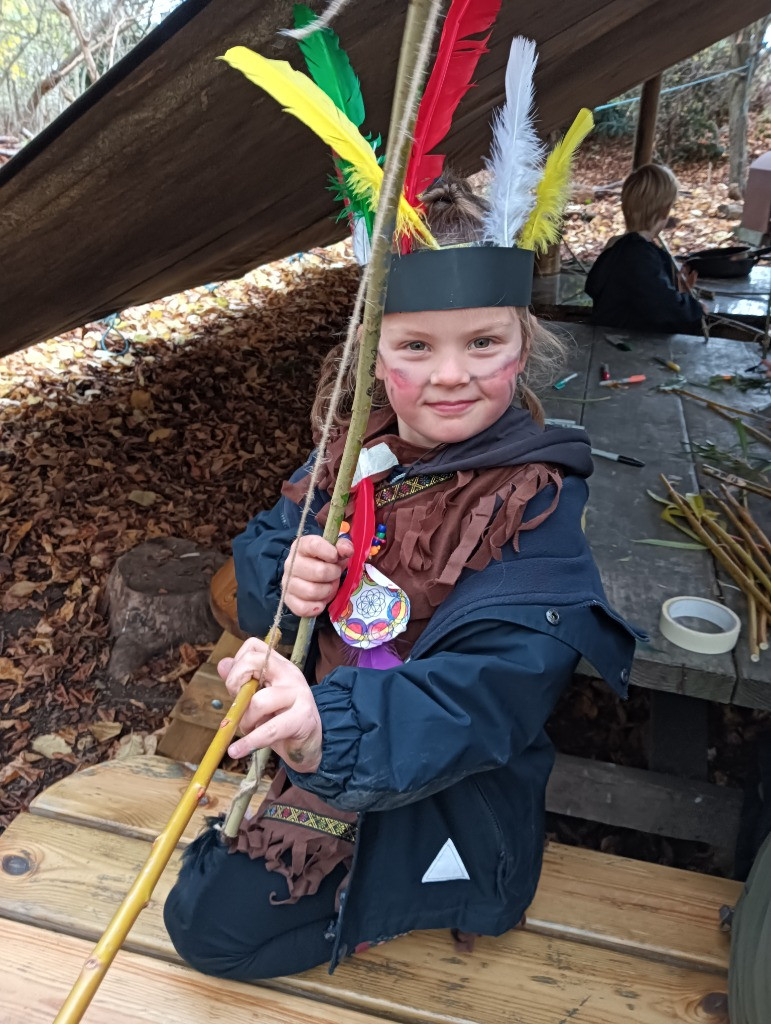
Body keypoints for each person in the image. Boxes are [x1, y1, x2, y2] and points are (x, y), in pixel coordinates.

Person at [162, 174, 643, 980]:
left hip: (444, 786)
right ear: (374, 356)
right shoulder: (352, 456)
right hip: (323, 756)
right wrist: (286, 583)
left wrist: (326, 731)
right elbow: (257, 569)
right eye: (416, 346)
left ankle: (416, 895)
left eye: (481, 343)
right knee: (198, 912)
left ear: (522, 346)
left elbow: (490, 693)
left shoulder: (533, 503)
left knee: (210, 930)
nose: (449, 376)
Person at [584, 163, 705, 334]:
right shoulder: (640, 256)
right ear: (664, 212)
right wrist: (695, 308)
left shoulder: (618, 247)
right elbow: (664, 309)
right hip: (624, 346)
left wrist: (679, 293)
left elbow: (641, 293)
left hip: (605, 339)